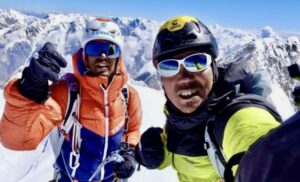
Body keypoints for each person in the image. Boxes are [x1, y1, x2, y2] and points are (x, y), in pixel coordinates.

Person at [135, 15, 281, 182]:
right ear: (161, 79)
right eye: (169, 67)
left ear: (213, 67)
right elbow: (182, 144)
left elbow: (266, 153)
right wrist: (157, 153)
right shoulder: (176, 118)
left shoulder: (234, 117)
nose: (184, 77)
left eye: (196, 61)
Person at [0, 18, 142, 182]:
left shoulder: (128, 96)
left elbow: (133, 130)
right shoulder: (66, 93)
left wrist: (130, 151)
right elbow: (17, 141)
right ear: (84, 54)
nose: (103, 56)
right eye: (94, 49)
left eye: (110, 49)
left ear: (119, 57)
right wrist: (27, 93)